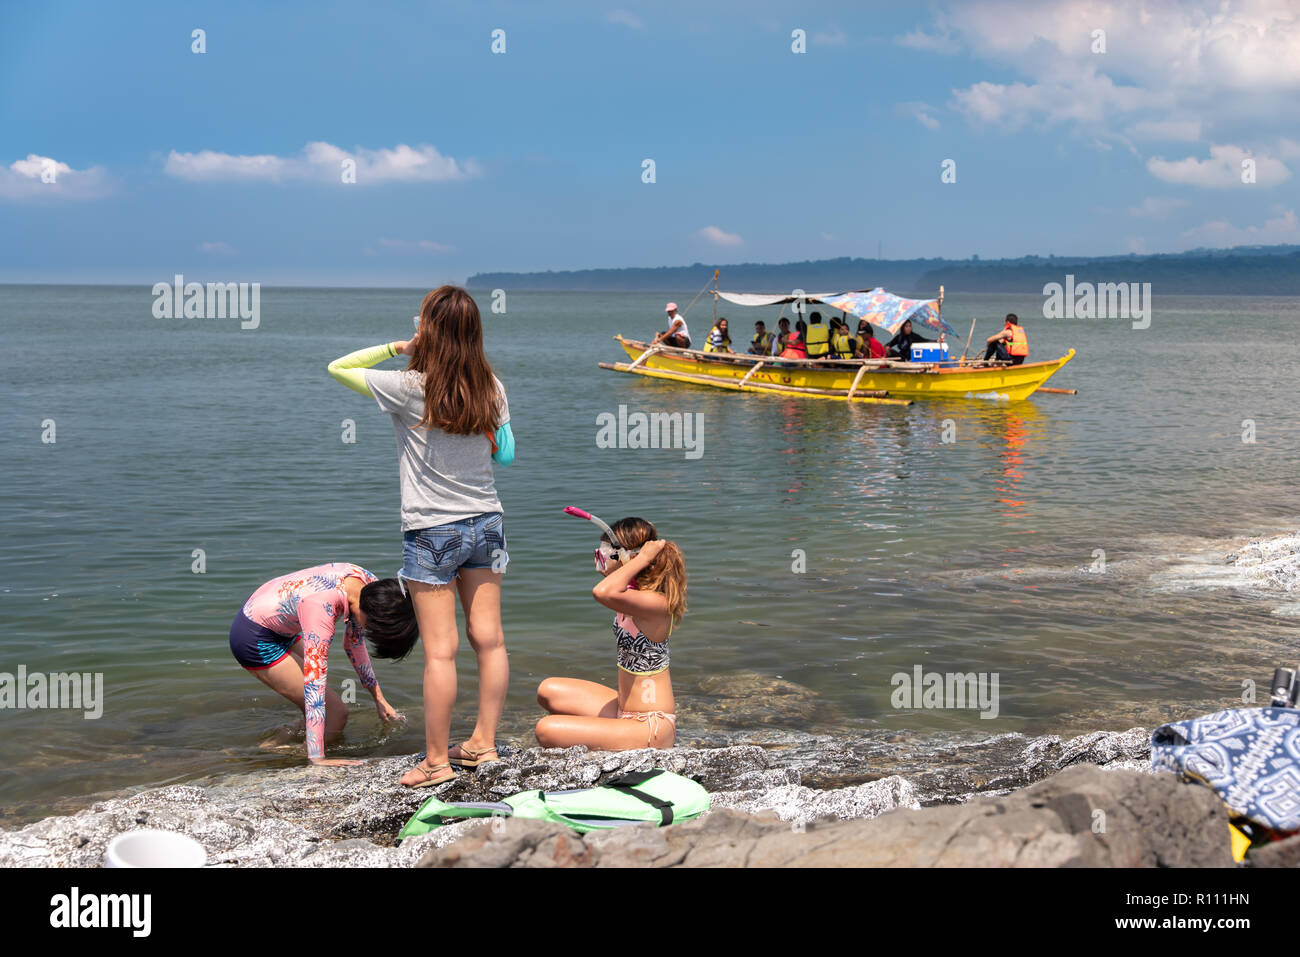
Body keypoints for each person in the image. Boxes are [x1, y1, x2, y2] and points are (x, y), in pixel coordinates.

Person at [327, 285, 514, 789]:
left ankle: (436, 762)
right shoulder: (491, 386)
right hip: (487, 522)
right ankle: (483, 744)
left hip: (432, 527)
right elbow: (506, 454)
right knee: (489, 641)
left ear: (427, 329)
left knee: (441, 651)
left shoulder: (410, 386)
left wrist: (400, 347)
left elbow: (338, 368)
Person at [229, 563, 404, 766]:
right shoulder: (321, 608)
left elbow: (353, 644)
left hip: (277, 625)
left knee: (321, 707)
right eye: (373, 627)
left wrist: (379, 699)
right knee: (336, 713)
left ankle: (271, 747)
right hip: (255, 638)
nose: (372, 631)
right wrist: (317, 758)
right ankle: (303, 757)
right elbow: (314, 684)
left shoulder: (370, 587)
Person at [536, 518, 687, 750]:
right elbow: (609, 588)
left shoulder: (655, 602)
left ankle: (612, 737)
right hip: (622, 709)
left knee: (546, 729)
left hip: (650, 725)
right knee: (548, 691)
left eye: (608, 549)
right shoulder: (631, 594)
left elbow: (602, 592)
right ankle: (608, 733)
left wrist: (644, 557)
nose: (601, 554)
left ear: (629, 558)